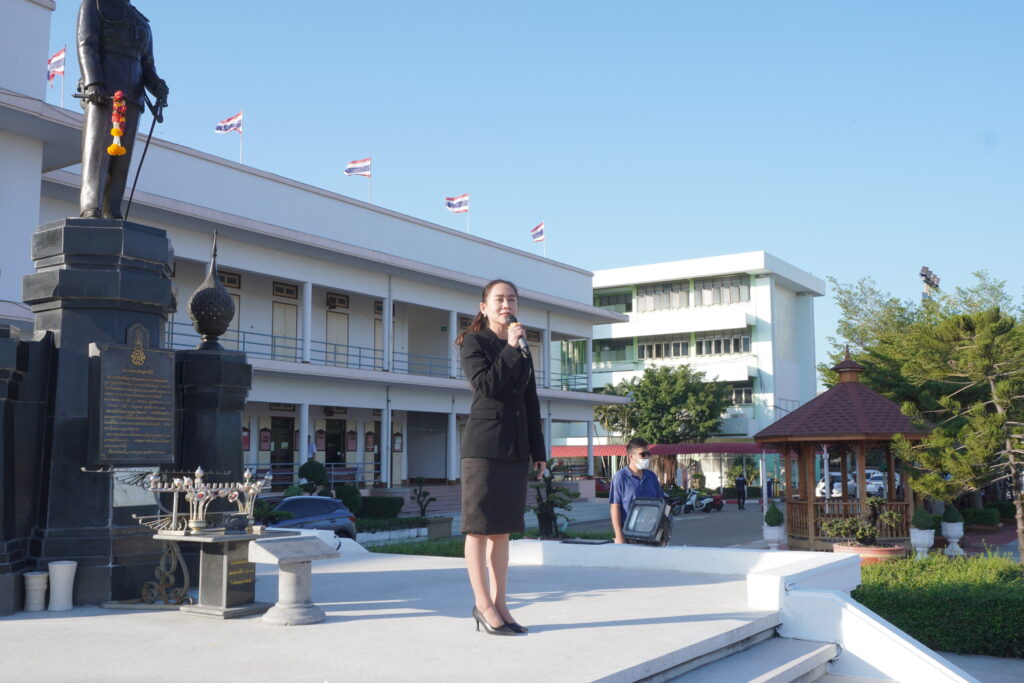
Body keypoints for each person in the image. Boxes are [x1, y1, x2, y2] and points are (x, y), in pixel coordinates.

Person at [457, 279, 546, 636]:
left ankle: (501, 603)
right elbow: (486, 386)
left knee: (502, 531)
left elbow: (530, 400)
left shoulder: (523, 347)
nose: (506, 304)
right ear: (484, 307)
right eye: (499, 299)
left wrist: (538, 450)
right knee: (479, 529)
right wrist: (510, 348)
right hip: (483, 448)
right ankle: (483, 605)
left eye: (511, 299)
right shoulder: (473, 342)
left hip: (515, 448)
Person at [76, 0, 169, 219]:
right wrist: (93, 82)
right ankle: (91, 206)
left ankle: (113, 208)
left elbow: (147, 65)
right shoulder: (95, 4)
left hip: (133, 98)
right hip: (103, 93)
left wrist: (157, 85)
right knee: (97, 153)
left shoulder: (142, 22)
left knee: (121, 161)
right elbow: (86, 44)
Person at [610, 438, 664, 544]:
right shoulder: (620, 477)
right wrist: (619, 535)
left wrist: (662, 534)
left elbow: (660, 505)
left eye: (648, 453)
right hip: (630, 535)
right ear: (631, 456)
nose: (647, 457)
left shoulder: (651, 477)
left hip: (650, 533)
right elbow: (615, 508)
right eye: (643, 454)